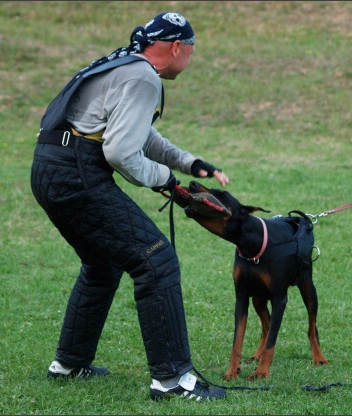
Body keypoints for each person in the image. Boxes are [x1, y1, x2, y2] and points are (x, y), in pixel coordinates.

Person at [30, 11, 229, 401]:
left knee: (102, 264)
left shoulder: (127, 64)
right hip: (77, 174)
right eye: (191, 50)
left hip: (49, 167)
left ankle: (69, 364)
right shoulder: (143, 77)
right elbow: (121, 151)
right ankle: (172, 381)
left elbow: (138, 132)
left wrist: (187, 163)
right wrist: (166, 182)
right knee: (156, 260)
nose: (190, 59)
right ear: (177, 47)